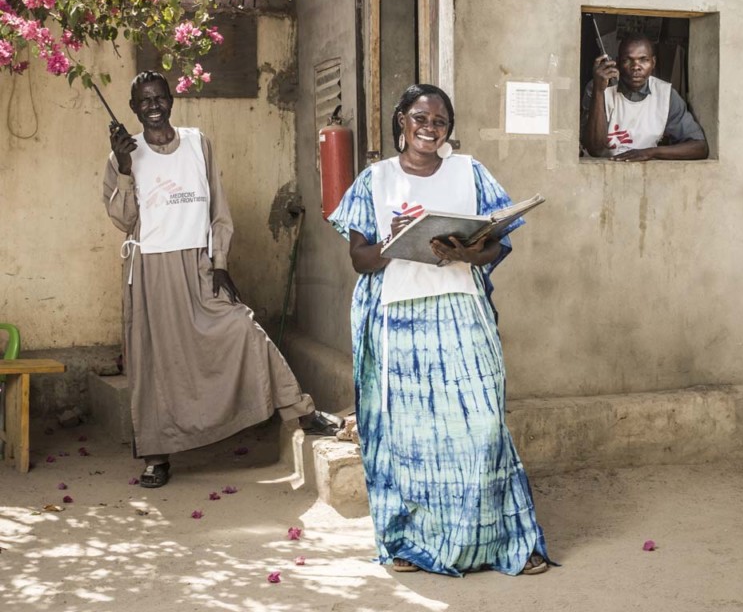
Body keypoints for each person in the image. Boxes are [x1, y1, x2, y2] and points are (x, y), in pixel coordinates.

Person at [328, 84, 551, 577]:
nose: (430, 129)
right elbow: (360, 259)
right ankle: (412, 543)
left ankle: (505, 539)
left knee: (483, 424)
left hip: (461, 309)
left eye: (440, 122)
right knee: (413, 438)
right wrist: (400, 241)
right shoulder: (375, 180)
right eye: (420, 118)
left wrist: (470, 252)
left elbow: (495, 245)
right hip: (400, 318)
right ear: (401, 120)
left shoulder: (469, 172)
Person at [103, 71, 340, 489]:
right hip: (151, 270)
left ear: (171, 100)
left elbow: (218, 208)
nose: (153, 106)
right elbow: (123, 220)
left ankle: (300, 410)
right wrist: (124, 169)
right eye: (144, 101)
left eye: (159, 97)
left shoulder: (198, 143)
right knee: (153, 362)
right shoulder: (124, 154)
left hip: (198, 262)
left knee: (243, 330)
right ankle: (157, 456)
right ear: (133, 108)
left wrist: (221, 261)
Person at [581, 36, 708, 161]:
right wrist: (598, 90)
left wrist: (651, 152)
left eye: (643, 60)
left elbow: (699, 147)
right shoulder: (600, 86)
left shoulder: (665, 94)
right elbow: (595, 149)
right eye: (627, 60)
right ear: (618, 63)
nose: (636, 66)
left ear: (653, 63)